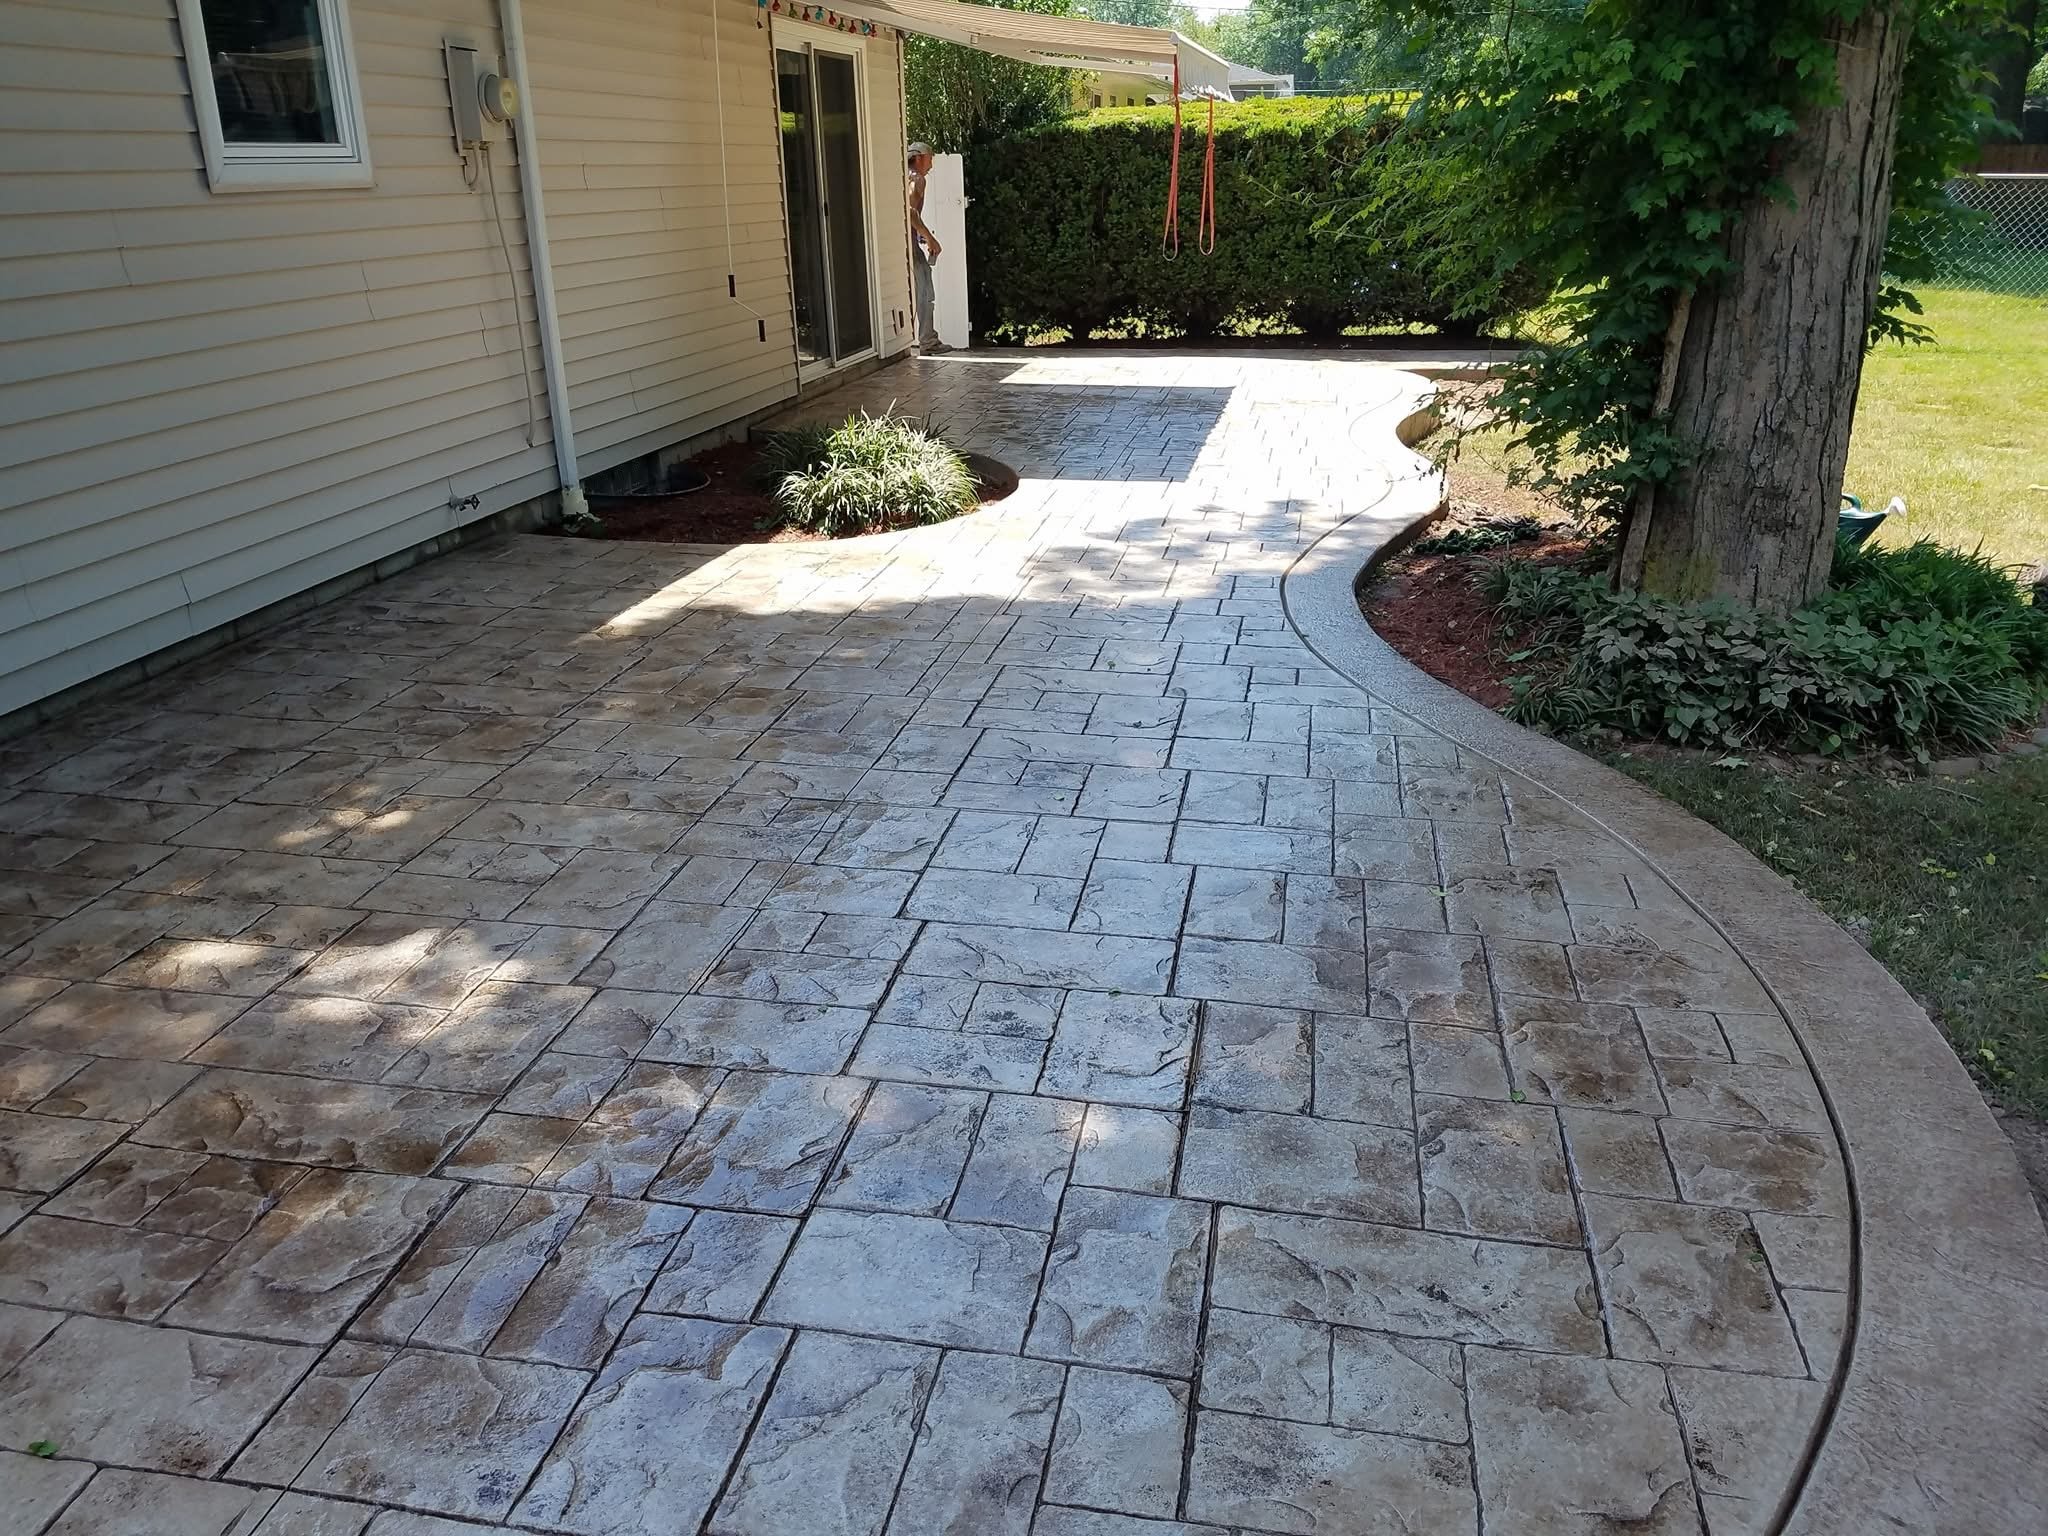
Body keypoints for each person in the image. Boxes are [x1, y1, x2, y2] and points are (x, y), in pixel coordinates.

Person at [907, 141, 950, 355]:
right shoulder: (917, 178)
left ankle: (926, 339)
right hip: (907, 244)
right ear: (920, 158)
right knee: (925, 290)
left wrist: (921, 235)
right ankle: (928, 341)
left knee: (919, 288)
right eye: (930, 159)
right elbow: (910, 212)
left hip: (907, 241)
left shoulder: (906, 176)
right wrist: (930, 239)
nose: (931, 165)